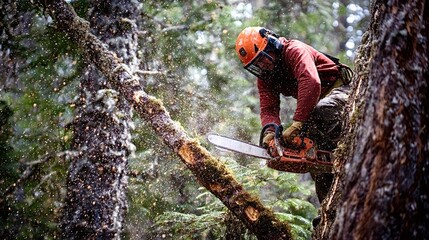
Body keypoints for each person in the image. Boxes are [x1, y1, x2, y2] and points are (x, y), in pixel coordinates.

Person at [235, 26, 353, 204]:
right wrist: (270, 131)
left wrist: (297, 124)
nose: (263, 65)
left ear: (271, 45)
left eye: (262, 58)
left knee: (322, 110)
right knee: (312, 155)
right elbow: (268, 108)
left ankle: (350, 148)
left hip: (342, 93)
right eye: (256, 65)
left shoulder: (294, 50)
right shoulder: (266, 77)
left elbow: (311, 82)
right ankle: (330, 206)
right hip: (316, 108)